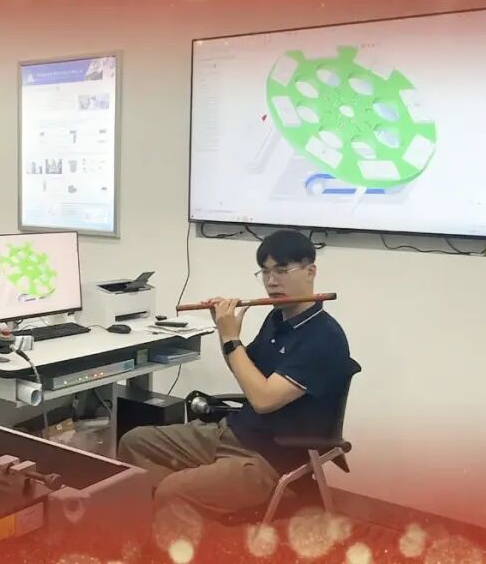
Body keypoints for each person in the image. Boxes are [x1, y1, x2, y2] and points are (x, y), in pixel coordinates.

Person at [117, 229, 358, 541]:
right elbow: (244, 370)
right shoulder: (277, 320)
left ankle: (196, 527)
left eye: (282, 270)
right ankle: (188, 521)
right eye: (265, 272)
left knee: (173, 492)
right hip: (233, 432)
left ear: (310, 271)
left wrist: (232, 337)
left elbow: (263, 399)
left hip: (270, 458)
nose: (272, 281)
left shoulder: (324, 338)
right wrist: (225, 333)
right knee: (134, 442)